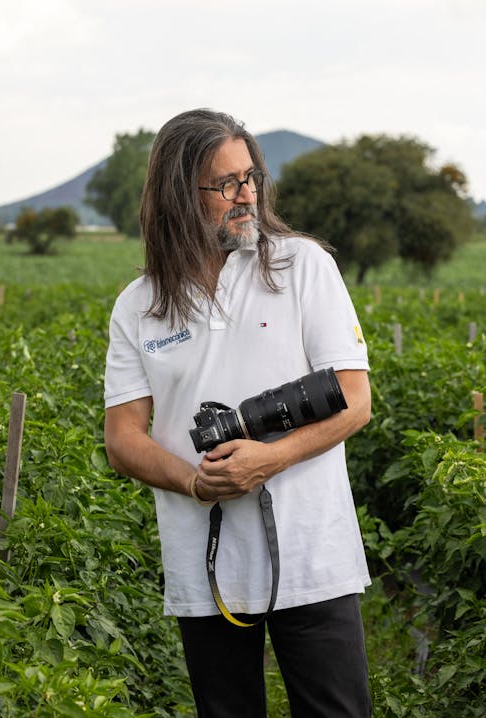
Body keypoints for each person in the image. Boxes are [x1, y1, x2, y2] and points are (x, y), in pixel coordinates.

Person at [104, 108, 372, 718]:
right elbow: (123, 438)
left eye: (249, 177)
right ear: (178, 194)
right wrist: (197, 481)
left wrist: (268, 458)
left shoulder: (302, 266)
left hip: (313, 551)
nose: (245, 195)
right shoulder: (139, 305)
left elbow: (356, 401)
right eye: (226, 184)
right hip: (206, 566)